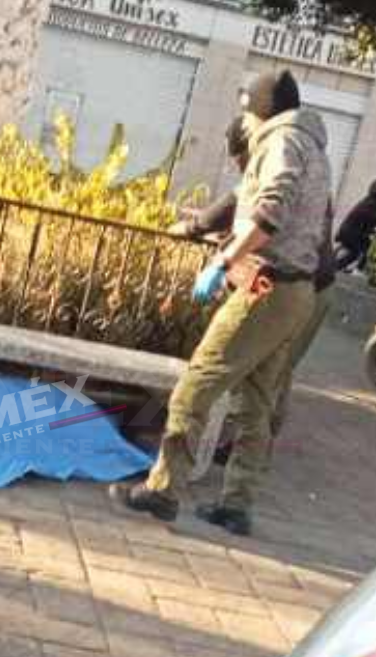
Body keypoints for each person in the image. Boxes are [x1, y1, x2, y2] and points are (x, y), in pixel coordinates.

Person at [112, 70, 333, 537]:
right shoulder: (314, 146)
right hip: (298, 291)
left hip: (265, 286)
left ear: (261, 109)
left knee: (197, 384)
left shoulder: (280, 140)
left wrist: (223, 260)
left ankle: (163, 489)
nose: (244, 124)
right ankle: (237, 504)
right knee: (255, 402)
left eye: (246, 113)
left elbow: (271, 210)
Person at [334, 179, 376, 272]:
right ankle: (347, 267)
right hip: (351, 234)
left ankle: (349, 267)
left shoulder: (369, 203)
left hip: (351, 232)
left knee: (366, 246)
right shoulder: (371, 205)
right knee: (363, 250)